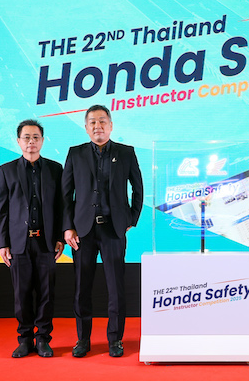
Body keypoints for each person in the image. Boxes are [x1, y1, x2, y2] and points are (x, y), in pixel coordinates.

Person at [62, 104, 143, 358]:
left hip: (113, 230)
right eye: (92, 122)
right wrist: (68, 227)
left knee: (116, 287)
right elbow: (66, 194)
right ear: (86, 127)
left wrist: (131, 218)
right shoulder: (75, 153)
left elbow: (138, 188)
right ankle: (83, 339)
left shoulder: (126, 152)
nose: (98, 126)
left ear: (111, 125)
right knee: (81, 287)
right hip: (83, 232)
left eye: (102, 121)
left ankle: (115, 339)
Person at [0, 119, 64, 358]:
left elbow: (61, 206)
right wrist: (3, 243)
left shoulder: (55, 169)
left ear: (42, 141)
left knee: (46, 293)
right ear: (18, 141)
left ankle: (43, 339)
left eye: (35, 137)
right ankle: (24, 339)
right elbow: (2, 209)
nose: (31, 141)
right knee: (21, 293)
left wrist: (59, 237)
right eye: (26, 137)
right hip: (18, 243)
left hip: (46, 242)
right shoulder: (6, 170)